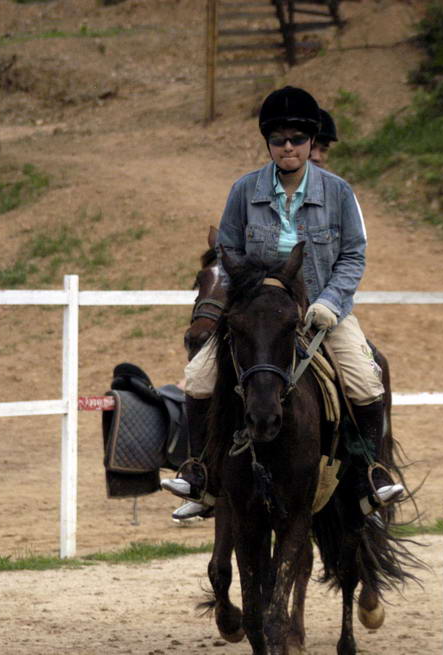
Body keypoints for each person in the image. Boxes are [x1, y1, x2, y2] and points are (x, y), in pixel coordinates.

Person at [162, 86, 404, 521]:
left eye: (296, 139)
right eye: (278, 140)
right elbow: (228, 251)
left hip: (323, 312)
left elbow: (353, 255)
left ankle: (374, 472)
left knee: (365, 383)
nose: (287, 147)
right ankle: (199, 472)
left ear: (312, 143)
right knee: (198, 378)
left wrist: (331, 301)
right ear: (268, 143)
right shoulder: (243, 190)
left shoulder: (339, 192)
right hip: (258, 311)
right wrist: (245, 296)